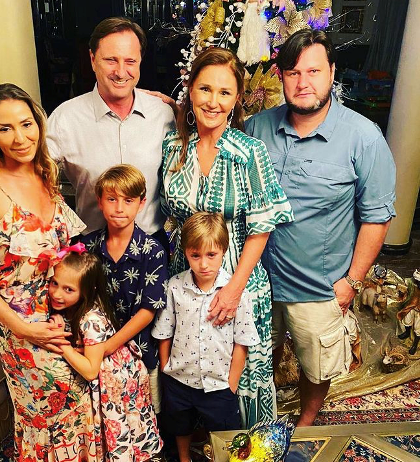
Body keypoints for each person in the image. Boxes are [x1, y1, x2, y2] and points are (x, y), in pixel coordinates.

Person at [245, 29, 396, 426]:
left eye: (313, 71)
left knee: (317, 365)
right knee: (256, 356)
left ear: (331, 72)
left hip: (319, 287)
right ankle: (258, 416)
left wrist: (352, 282)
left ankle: (306, 423)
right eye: (293, 72)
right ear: (281, 76)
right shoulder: (257, 127)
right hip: (256, 281)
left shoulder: (363, 137)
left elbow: (378, 217)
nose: (303, 82)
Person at [0, 83, 99, 461]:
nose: (20, 138)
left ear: (38, 123)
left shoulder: (44, 172)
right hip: (20, 325)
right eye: (5, 129)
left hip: (62, 310)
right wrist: (21, 328)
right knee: (45, 413)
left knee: (78, 407)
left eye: (26, 124)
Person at [0, 17, 175, 248]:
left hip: (153, 246)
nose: (120, 71)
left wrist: (180, 109)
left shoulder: (163, 114)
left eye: (130, 61)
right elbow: (21, 168)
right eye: (111, 60)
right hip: (90, 249)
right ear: (92, 59)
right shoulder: (65, 118)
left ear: (140, 62)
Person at [161, 47, 294, 426]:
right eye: (205, 89)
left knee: (240, 377)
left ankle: (245, 444)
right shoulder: (173, 148)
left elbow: (263, 224)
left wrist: (234, 290)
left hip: (239, 281)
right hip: (186, 281)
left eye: (224, 92)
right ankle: (193, 441)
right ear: (190, 90)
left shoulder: (249, 152)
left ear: (237, 99)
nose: (213, 101)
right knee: (190, 369)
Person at [152, 212, 260, 462]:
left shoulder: (236, 293)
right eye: (195, 255)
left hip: (219, 383)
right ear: (186, 253)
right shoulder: (175, 287)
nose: (203, 264)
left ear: (223, 250)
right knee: (179, 426)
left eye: (211, 255)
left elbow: (242, 341)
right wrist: (166, 367)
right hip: (179, 380)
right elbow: (165, 331)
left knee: (224, 433)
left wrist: (232, 383)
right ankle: (183, 458)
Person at [48, 250, 162, 462]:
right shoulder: (71, 308)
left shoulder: (91, 320)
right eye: (54, 283)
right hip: (114, 374)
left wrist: (61, 343)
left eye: (68, 289)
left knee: (123, 428)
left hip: (116, 380)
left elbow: (91, 371)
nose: (57, 294)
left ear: (86, 291)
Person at [81, 164, 168, 413]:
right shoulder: (88, 247)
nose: (119, 208)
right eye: (112, 199)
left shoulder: (152, 251)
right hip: (95, 350)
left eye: (128, 200)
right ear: (100, 201)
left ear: (141, 203)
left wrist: (109, 346)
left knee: (145, 412)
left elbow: (148, 311)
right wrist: (97, 347)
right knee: (106, 412)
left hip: (140, 350)